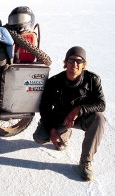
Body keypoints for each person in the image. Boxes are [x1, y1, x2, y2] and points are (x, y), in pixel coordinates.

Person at [33, 46, 106, 181]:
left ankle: (85, 162)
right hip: (60, 117)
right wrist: (52, 130)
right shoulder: (54, 82)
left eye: (79, 61)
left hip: (81, 117)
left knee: (99, 118)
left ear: (84, 65)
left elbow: (101, 104)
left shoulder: (92, 80)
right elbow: (45, 108)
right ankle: (63, 132)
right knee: (39, 137)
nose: (74, 64)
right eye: (71, 60)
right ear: (65, 63)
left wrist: (79, 110)